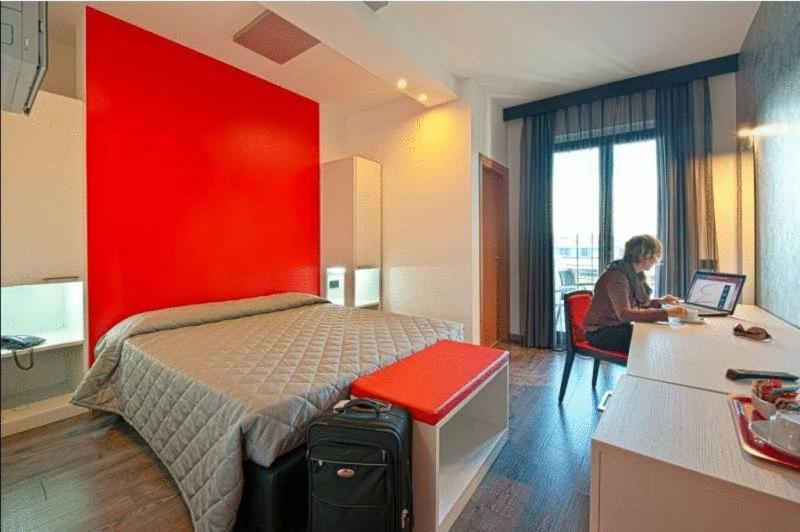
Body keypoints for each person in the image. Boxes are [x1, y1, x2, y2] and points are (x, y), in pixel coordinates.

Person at [583, 234, 687, 353]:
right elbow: (625, 314)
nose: (656, 260)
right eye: (655, 255)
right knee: (657, 339)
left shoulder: (632, 274)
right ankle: (646, 371)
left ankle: (648, 370)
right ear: (645, 255)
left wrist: (660, 302)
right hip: (600, 332)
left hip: (616, 326)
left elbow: (637, 305)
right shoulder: (616, 277)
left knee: (658, 334)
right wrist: (667, 313)